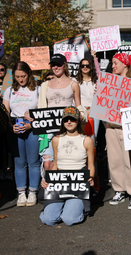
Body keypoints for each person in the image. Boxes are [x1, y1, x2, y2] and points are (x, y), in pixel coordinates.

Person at [26, 54, 87, 171]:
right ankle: (50, 188)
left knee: (65, 162)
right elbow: (41, 107)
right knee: (48, 163)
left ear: (64, 66)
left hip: (67, 128)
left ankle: (65, 188)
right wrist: (29, 114)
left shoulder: (73, 84)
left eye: (58, 64)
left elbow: (78, 105)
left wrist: (81, 116)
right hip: (48, 130)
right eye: (53, 65)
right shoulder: (45, 85)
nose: (56, 67)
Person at [40, 106, 94, 226]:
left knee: (69, 219)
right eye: (66, 119)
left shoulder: (87, 140)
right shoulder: (56, 139)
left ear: (78, 120)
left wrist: (90, 177)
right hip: (59, 180)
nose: (69, 122)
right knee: (48, 219)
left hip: (78, 181)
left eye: (72, 119)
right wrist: (47, 180)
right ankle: (63, 208)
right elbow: (56, 164)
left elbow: (90, 164)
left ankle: (76, 209)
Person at [106, 53, 131, 209]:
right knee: (114, 160)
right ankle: (119, 190)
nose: (113, 66)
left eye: (115, 63)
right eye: (112, 63)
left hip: (128, 128)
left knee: (130, 161)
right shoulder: (108, 83)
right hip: (110, 127)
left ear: (125, 65)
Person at [3, 61, 40, 206]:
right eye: (17, 77)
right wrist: (9, 126)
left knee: (33, 161)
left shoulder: (37, 89)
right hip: (16, 126)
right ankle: (21, 193)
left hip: (32, 127)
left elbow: (42, 109)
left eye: (23, 76)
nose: (21, 79)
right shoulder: (9, 90)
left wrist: (31, 124)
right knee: (19, 162)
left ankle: (32, 192)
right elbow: (5, 112)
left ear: (29, 74)